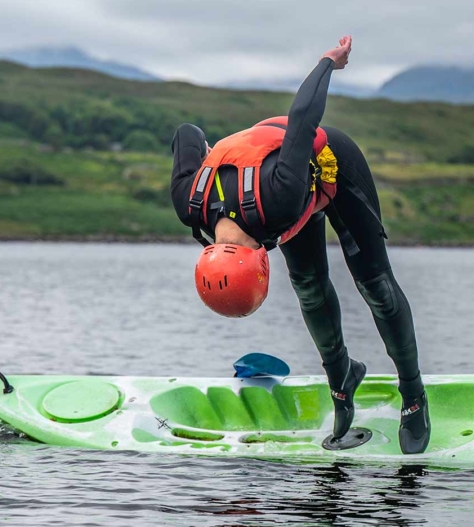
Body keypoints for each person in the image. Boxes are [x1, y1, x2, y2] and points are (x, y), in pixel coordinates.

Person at [170, 36, 430, 454]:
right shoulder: (189, 204)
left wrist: (328, 62)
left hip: (328, 166)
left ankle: (414, 395)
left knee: (375, 287)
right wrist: (205, 155)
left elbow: (303, 116)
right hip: (278, 186)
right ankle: (342, 381)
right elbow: (187, 133)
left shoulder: (279, 198)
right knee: (308, 286)